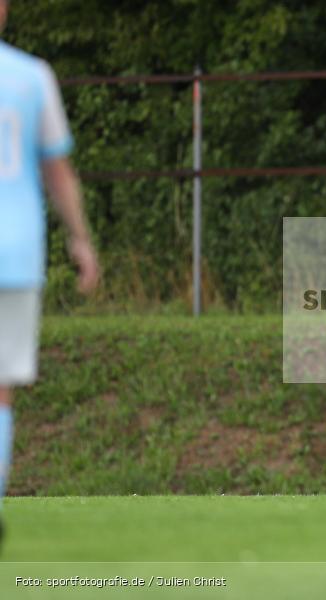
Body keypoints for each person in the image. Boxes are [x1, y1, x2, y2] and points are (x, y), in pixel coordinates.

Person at [0, 0, 101, 546]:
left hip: (15, 253)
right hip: (13, 251)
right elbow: (56, 168)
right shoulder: (30, 75)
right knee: (0, 390)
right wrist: (80, 238)